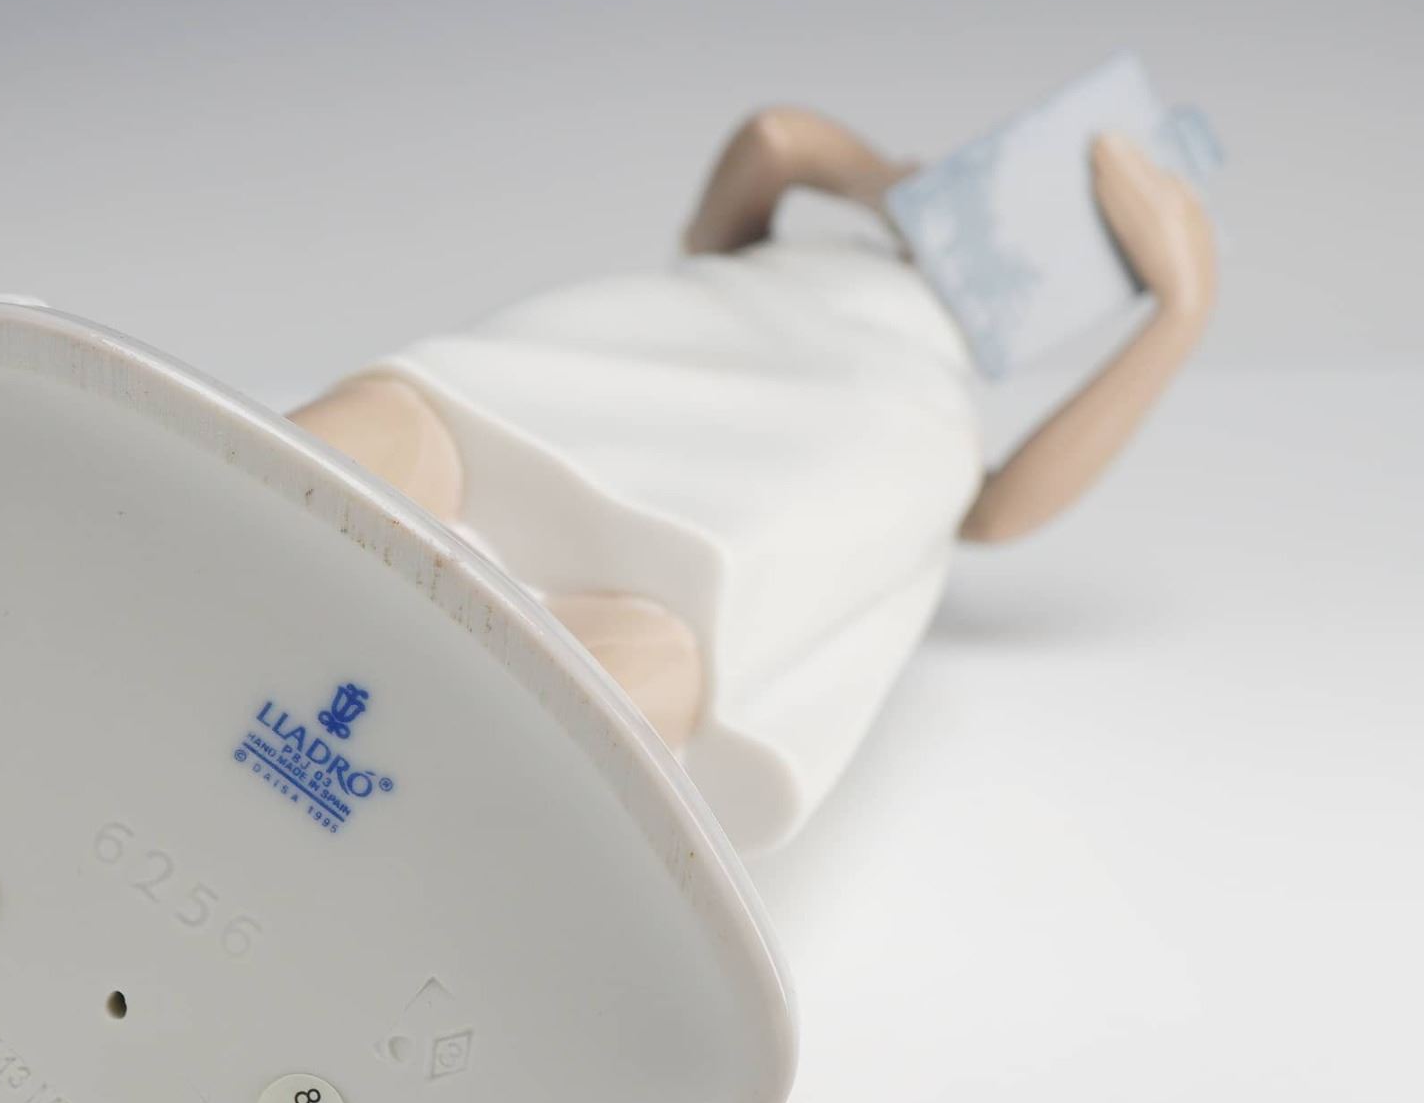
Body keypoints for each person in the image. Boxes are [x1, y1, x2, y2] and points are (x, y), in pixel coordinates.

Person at [289, 108, 1217, 852]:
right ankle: (247, 518)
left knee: (680, 618)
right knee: (425, 418)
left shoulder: (943, 400)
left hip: (871, 422)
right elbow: (775, 138)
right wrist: (884, 182)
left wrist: (1180, 312)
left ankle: (466, 795)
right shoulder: (764, 256)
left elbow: (999, 510)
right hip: (683, 333)